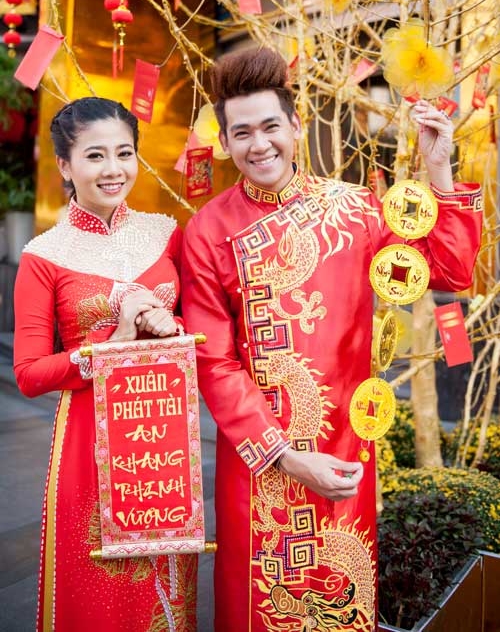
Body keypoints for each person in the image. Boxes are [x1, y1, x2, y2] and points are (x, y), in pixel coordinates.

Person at [180, 46, 483, 632]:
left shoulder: (356, 211)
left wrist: (440, 170)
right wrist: (285, 456)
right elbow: (214, 362)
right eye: (242, 133)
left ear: (296, 126)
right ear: (226, 142)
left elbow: (448, 270)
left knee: (339, 606)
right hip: (261, 463)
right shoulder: (207, 230)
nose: (259, 144)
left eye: (271, 126)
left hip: (345, 452)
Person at [14, 98, 197, 632]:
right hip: (88, 444)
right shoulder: (44, 255)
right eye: (95, 155)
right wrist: (109, 343)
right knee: (101, 595)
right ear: (65, 165)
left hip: (165, 435)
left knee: (167, 587)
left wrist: (171, 324)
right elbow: (28, 373)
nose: (113, 169)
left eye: (124, 153)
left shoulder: (166, 232)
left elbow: (196, 324)